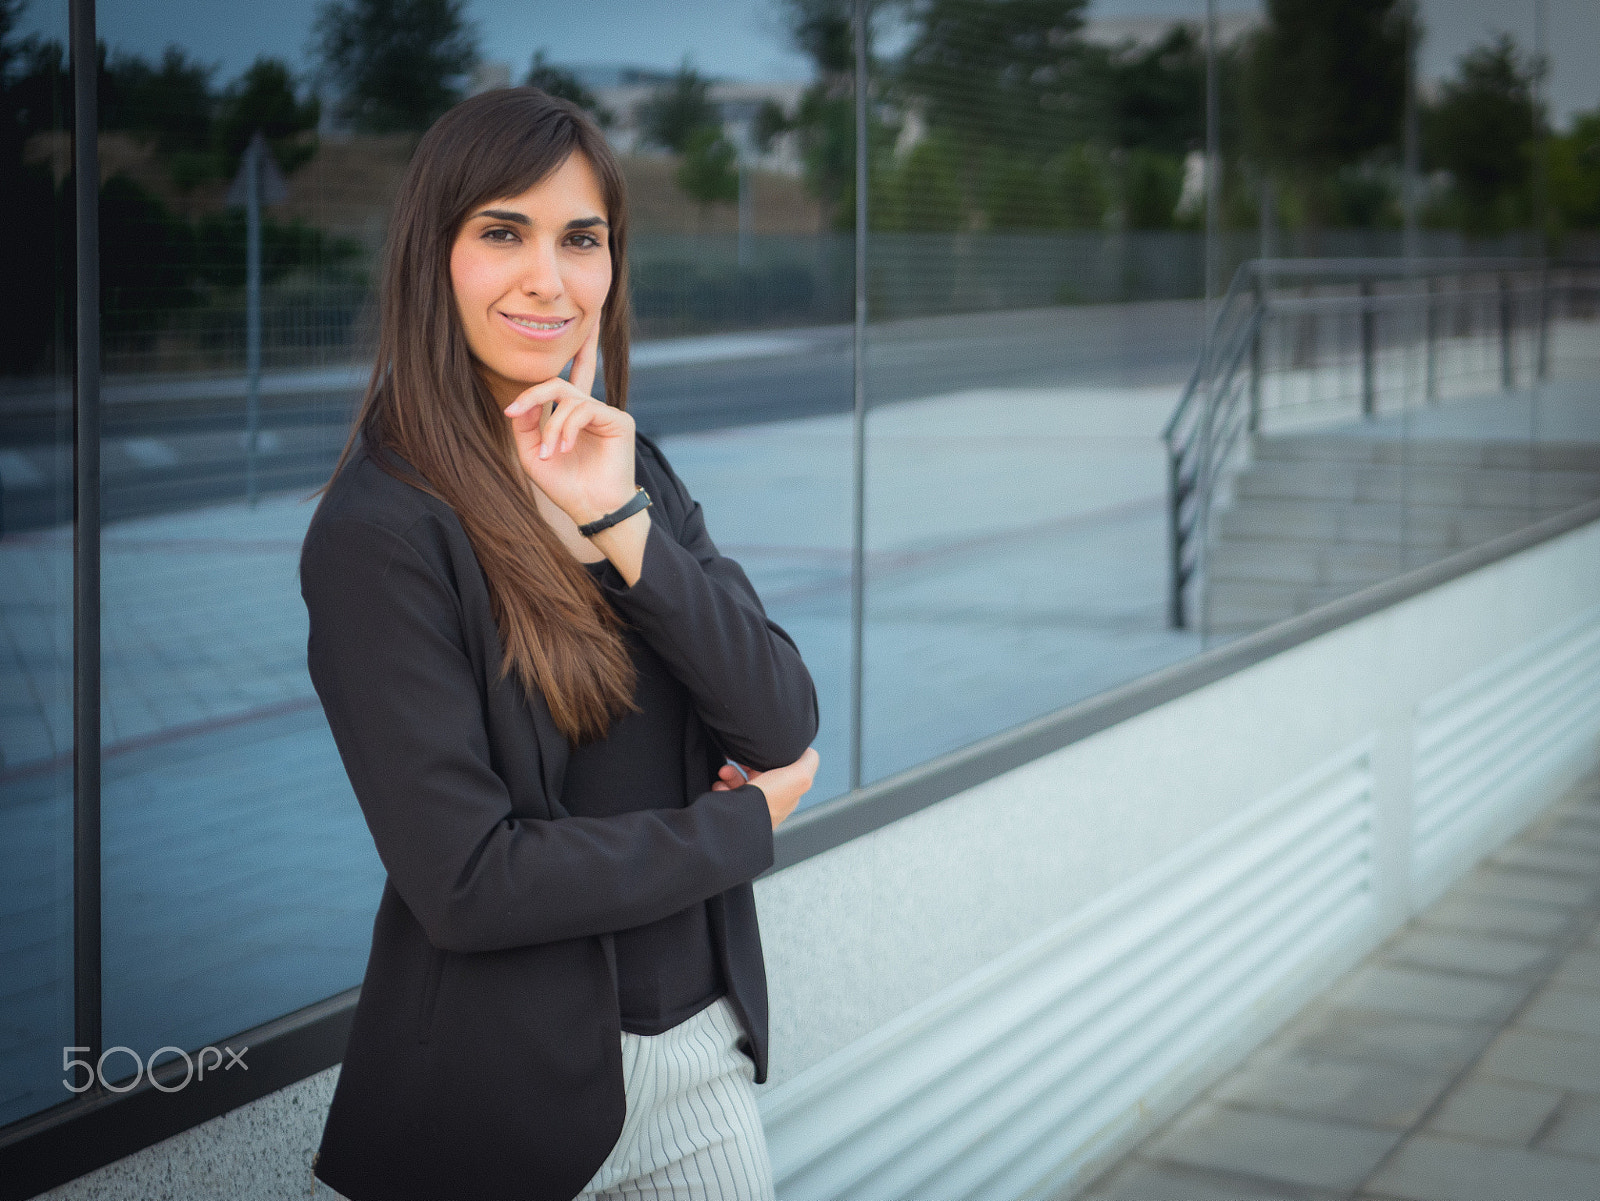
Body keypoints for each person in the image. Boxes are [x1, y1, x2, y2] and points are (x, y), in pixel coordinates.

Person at [300, 86, 820, 1201]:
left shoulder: (620, 463)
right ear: (432, 256)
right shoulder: (380, 532)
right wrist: (734, 825)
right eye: (503, 232)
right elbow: (471, 881)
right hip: (497, 1113)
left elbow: (780, 718)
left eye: (580, 239)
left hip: (697, 1070)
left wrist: (617, 524)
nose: (549, 277)